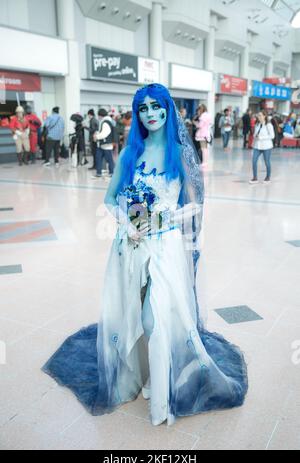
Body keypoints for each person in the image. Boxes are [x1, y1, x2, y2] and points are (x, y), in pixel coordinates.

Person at [43, 83, 248, 427]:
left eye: (157, 107)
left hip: (166, 246)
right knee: (135, 311)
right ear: (137, 114)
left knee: (155, 318)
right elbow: (112, 199)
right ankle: (143, 372)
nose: (151, 114)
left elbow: (195, 204)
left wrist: (162, 219)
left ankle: (160, 389)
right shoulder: (130, 152)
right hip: (131, 245)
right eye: (143, 108)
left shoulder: (181, 154)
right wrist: (130, 222)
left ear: (168, 109)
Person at [249, 110, 275, 185]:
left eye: (260, 115)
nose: (258, 117)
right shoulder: (257, 124)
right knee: (254, 161)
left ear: (264, 116)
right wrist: (255, 136)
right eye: (258, 115)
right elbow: (255, 134)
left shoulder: (268, 125)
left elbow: (272, 136)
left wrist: (261, 137)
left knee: (267, 162)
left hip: (266, 146)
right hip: (257, 146)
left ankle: (268, 177)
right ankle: (255, 178)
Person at [91, 108, 115, 179]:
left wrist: (97, 137)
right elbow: (102, 132)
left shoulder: (105, 122)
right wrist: (97, 133)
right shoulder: (105, 121)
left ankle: (111, 173)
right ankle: (99, 173)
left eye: (98, 115)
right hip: (102, 144)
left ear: (100, 115)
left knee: (109, 160)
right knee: (98, 158)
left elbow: (105, 133)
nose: (98, 117)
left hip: (106, 144)